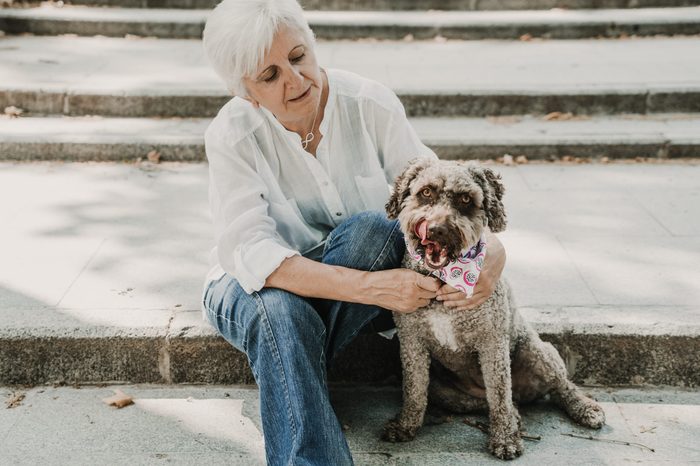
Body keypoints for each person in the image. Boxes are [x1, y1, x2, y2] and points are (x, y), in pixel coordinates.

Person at [201, 0, 506, 464]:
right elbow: (251, 252)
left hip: (345, 287)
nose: (295, 80)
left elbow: (438, 189)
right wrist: (373, 287)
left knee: (376, 230)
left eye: (298, 57)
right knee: (281, 312)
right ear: (246, 91)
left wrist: (494, 253)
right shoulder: (231, 134)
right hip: (249, 288)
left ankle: (292, 372)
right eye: (270, 75)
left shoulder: (368, 102)